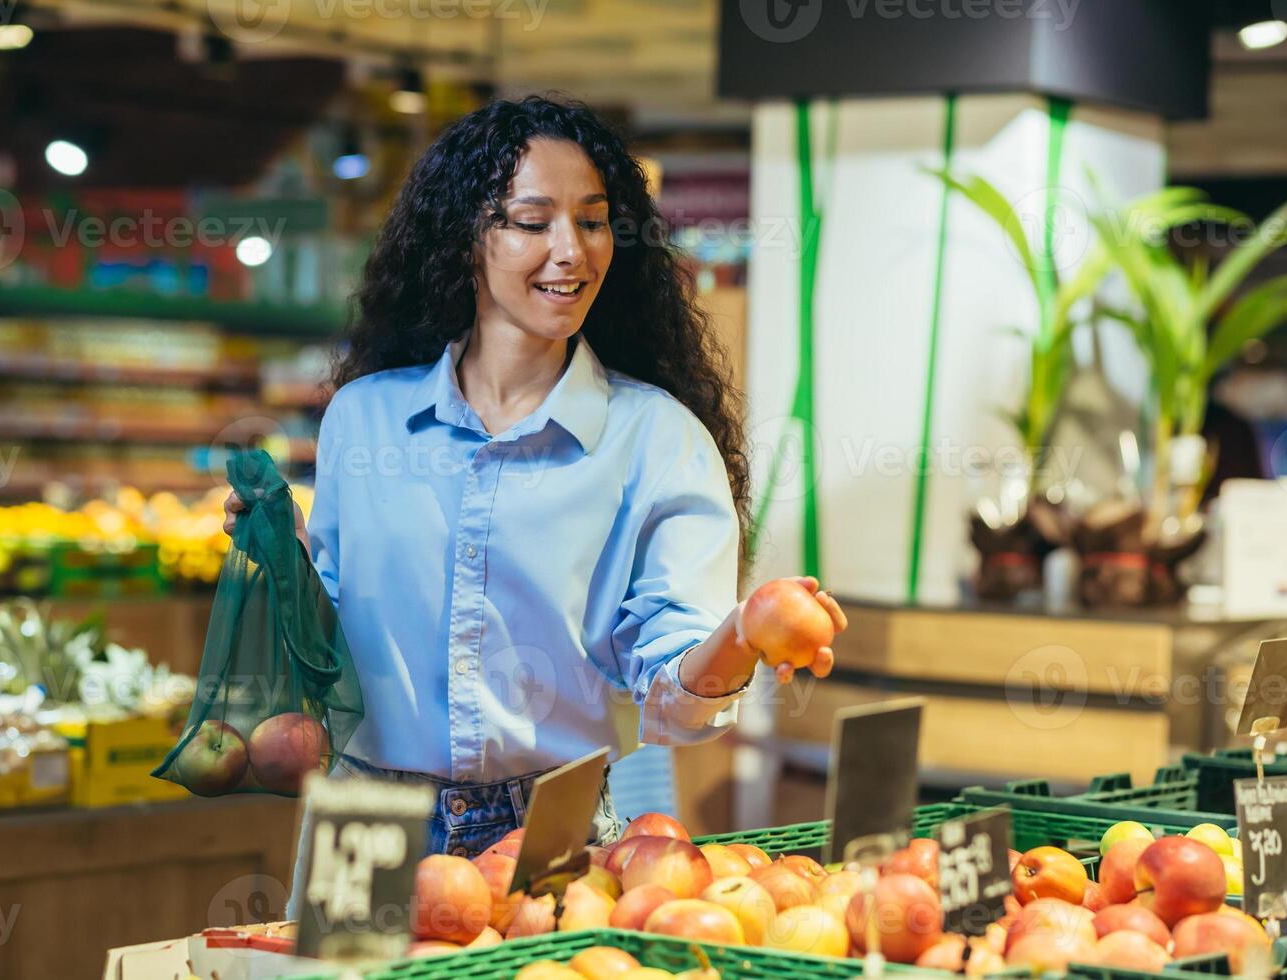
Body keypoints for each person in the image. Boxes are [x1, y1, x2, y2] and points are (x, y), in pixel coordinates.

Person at [226, 96, 844, 862]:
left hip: (552, 824)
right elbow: (337, 650)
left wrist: (743, 634)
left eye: (591, 221)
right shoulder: (366, 418)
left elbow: (676, 705)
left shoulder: (656, 439)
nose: (573, 251)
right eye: (533, 221)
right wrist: (284, 561)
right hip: (366, 815)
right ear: (466, 239)